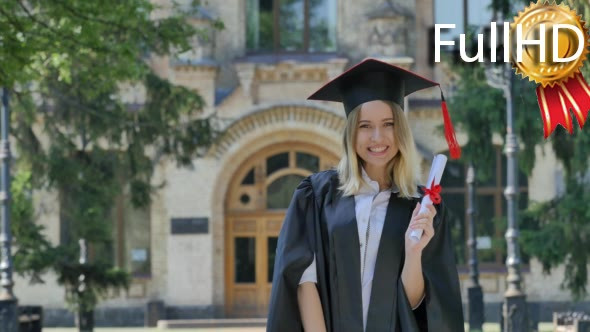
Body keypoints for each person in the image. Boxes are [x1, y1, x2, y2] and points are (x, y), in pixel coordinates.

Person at [267, 58, 464, 332]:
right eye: (364, 126)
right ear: (350, 132)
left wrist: (414, 251)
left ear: (401, 130)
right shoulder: (316, 196)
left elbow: (417, 305)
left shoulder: (421, 208)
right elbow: (303, 279)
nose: (377, 137)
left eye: (388, 124)